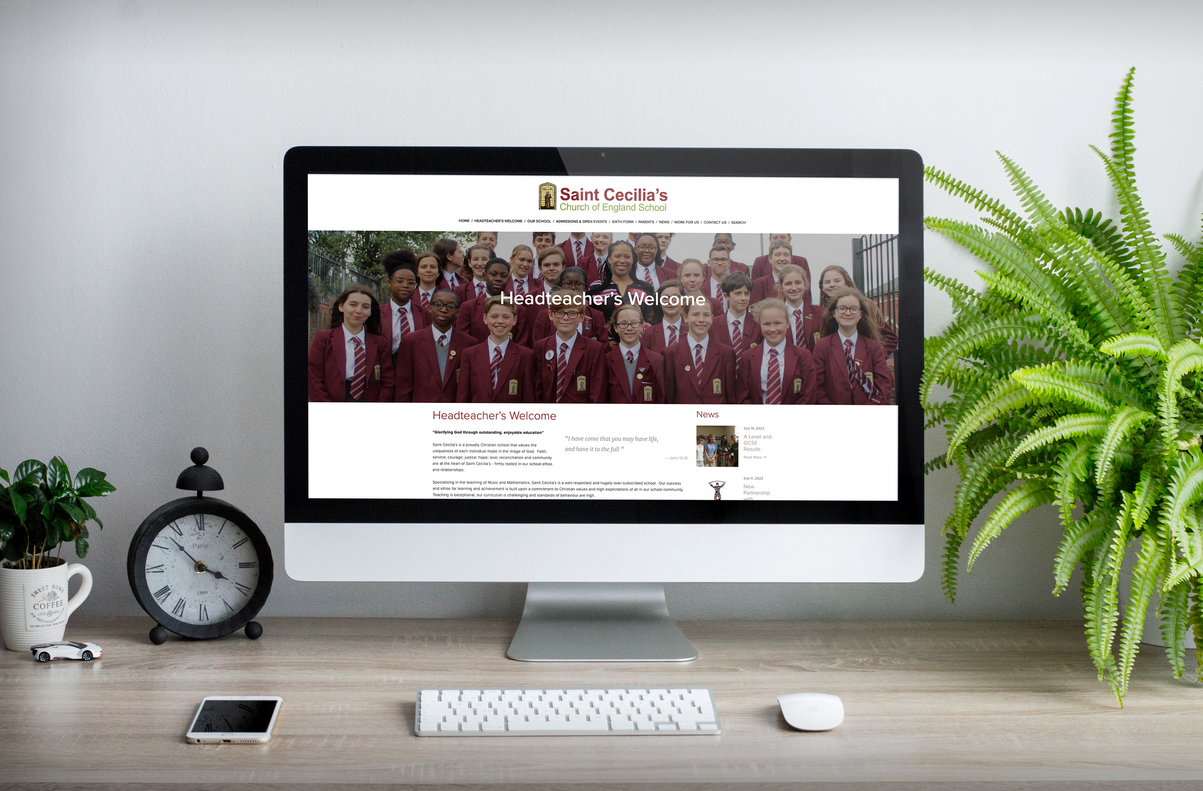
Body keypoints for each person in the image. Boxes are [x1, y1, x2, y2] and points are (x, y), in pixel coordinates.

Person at [307, 285, 393, 402]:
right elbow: (313, 378)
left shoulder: (380, 343)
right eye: (353, 305)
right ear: (341, 306)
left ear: (370, 312)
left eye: (365, 307)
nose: (358, 311)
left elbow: (388, 381)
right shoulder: (323, 338)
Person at [812, 287, 893, 405]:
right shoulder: (822, 346)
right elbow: (818, 386)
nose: (848, 312)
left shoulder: (873, 346)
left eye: (854, 309)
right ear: (834, 313)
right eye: (842, 308)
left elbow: (884, 386)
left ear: (861, 314)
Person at [392, 288, 472, 402]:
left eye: (450, 306)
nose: (443, 310)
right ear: (430, 308)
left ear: (457, 312)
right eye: (438, 304)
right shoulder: (411, 341)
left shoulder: (468, 343)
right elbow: (403, 386)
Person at [735, 298, 817, 405]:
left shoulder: (803, 356)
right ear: (759, 324)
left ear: (787, 324)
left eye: (778, 323)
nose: (772, 329)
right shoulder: (748, 357)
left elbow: (808, 395)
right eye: (767, 324)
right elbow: (743, 396)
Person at [456, 295, 536, 403]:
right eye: (494, 316)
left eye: (506, 317)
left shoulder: (525, 355)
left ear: (515, 320)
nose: (500, 321)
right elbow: (463, 397)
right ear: (485, 318)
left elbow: (528, 399)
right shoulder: (469, 354)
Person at [532, 291, 606, 403]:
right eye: (560, 312)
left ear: (582, 317)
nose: (565, 318)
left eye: (572, 313)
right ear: (550, 315)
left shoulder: (594, 349)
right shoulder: (541, 347)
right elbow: (537, 390)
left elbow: (597, 393)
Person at [663, 298, 737, 404]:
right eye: (695, 314)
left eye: (706, 315)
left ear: (712, 318)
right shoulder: (670, 354)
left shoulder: (726, 353)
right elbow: (669, 397)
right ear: (685, 317)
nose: (701, 319)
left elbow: (731, 397)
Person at [818, 264, 898, 356]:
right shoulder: (821, 311)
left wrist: (876, 358)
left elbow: (890, 338)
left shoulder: (866, 305)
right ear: (822, 287)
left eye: (837, 281)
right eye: (827, 282)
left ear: (847, 283)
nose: (832, 285)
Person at [605, 302, 666, 404]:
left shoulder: (656, 360)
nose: (629, 328)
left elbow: (661, 399)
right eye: (623, 323)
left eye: (634, 323)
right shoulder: (606, 361)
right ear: (615, 327)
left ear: (642, 326)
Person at [456, 258, 524, 344]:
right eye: (493, 274)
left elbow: (521, 345)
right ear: (484, 276)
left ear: (508, 279)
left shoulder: (519, 310)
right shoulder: (469, 307)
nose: (498, 279)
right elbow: (462, 341)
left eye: (503, 276)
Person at [379, 254, 430, 366]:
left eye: (411, 282)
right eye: (399, 281)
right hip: (388, 365)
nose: (405, 285)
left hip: (417, 365)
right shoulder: (378, 313)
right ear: (389, 283)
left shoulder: (424, 313)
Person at [587, 240, 655, 321]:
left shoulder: (645, 289)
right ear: (609, 259)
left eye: (627, 257)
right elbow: (590, 320)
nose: (622, 260)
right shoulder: (596, 287)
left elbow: (650, 321)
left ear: (632, 260)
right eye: (617, 256)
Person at [709, 272, 761, 378]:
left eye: (746, 293)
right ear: (726, 296)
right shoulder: (713, 325)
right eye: (738, 293)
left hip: (749, 380)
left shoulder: (758, 324)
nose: (743, 298)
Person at [778, 264, 822, 352]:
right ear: (781, 287)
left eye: (798, 282)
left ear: (805, 285)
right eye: (788, 284)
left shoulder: (819, 312)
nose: (794, 288)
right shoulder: (775, 314)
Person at [642, 279, 687, 354]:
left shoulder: (692, 330)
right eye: (665, 298)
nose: (670, 302)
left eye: (675, 298)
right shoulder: (649, 334)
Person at [704, 246, 734, 310]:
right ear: (709, 263)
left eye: (723, 259)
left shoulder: (734, 288)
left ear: (729, 263)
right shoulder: (701, 289)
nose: (720, 263)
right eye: (715, 259)